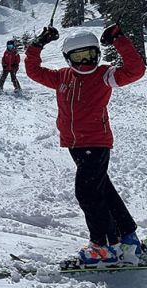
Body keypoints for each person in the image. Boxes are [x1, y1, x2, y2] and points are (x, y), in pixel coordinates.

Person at [24, 25, 146, 268]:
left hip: (96, 142)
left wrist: (119, 39)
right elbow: (34, 71)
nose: (85, 62)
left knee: (87, 193)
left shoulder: (104, 75)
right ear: (68, 59)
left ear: (97, 54)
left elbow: (136, 70)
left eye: (89, 55)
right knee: (102, 190)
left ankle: (104, 247)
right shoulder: (61, 77)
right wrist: (37, 45)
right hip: (75, 144)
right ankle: (128, 239)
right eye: (78, 57)